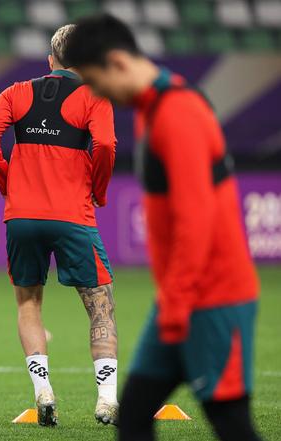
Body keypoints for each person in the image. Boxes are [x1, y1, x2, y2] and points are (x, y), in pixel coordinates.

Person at [63, 14, 262, 441]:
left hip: (212, 300)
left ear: (118, 62)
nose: (97, 94)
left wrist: (175, 309)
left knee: (231, 425)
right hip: (179, 298)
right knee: (134, 417)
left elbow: (196, 220)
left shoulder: (177, 114)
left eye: (95, 82)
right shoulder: (152, 110)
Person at [0, 24, 118, 426]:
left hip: (22, 216)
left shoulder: (17, 92)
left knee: (28, 303)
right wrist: (99, 189)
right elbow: (106, 145)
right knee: (100, 304)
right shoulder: (94, 96)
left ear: (51, 59)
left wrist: (8, 183)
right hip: (72, 216)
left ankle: (43, 391)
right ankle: (107, 399)